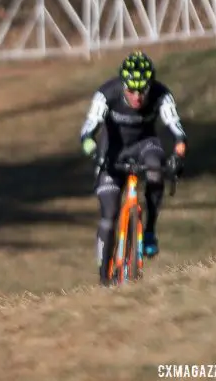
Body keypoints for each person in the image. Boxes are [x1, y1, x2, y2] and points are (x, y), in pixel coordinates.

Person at [79, 50, 186, 286]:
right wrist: (92, 149)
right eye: (131, 90)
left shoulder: (162, 94)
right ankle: (105, 278)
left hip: (146, 146)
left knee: (155, 169)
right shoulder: (106, 94)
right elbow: (88, 129)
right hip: (112, 151)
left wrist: (179, 152)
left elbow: (176, 129)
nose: (137, 97)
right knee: (108, 215)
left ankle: (149, 232)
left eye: (143, 90)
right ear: (122, 84)